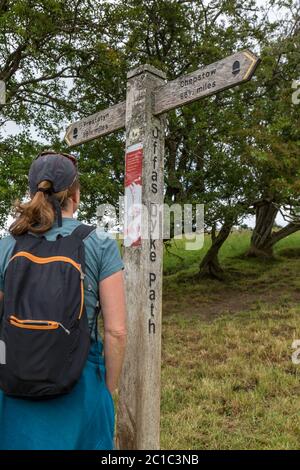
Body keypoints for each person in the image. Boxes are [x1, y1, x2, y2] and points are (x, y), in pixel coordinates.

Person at [0, 150, 127, 450]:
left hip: (15, 383)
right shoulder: (100, 243)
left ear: (33, 193)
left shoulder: (7, 246)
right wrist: (106, 391)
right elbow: (116, 331)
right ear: (76, 195)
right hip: (81, 384)